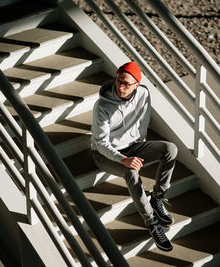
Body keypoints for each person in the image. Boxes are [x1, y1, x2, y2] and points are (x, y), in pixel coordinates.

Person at [90, 62, 178, 252]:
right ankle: (152, 222)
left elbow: (143, 121)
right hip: (105, 154)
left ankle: (157, 197)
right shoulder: (103, 105)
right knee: (131, 172)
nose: (121, 87)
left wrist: (139, 145)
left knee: (170, 149)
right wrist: (123, 159)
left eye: (126, 84)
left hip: (132, 146)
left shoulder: (144, 94)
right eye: (119, 81)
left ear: (137, 85)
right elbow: (100, 143)